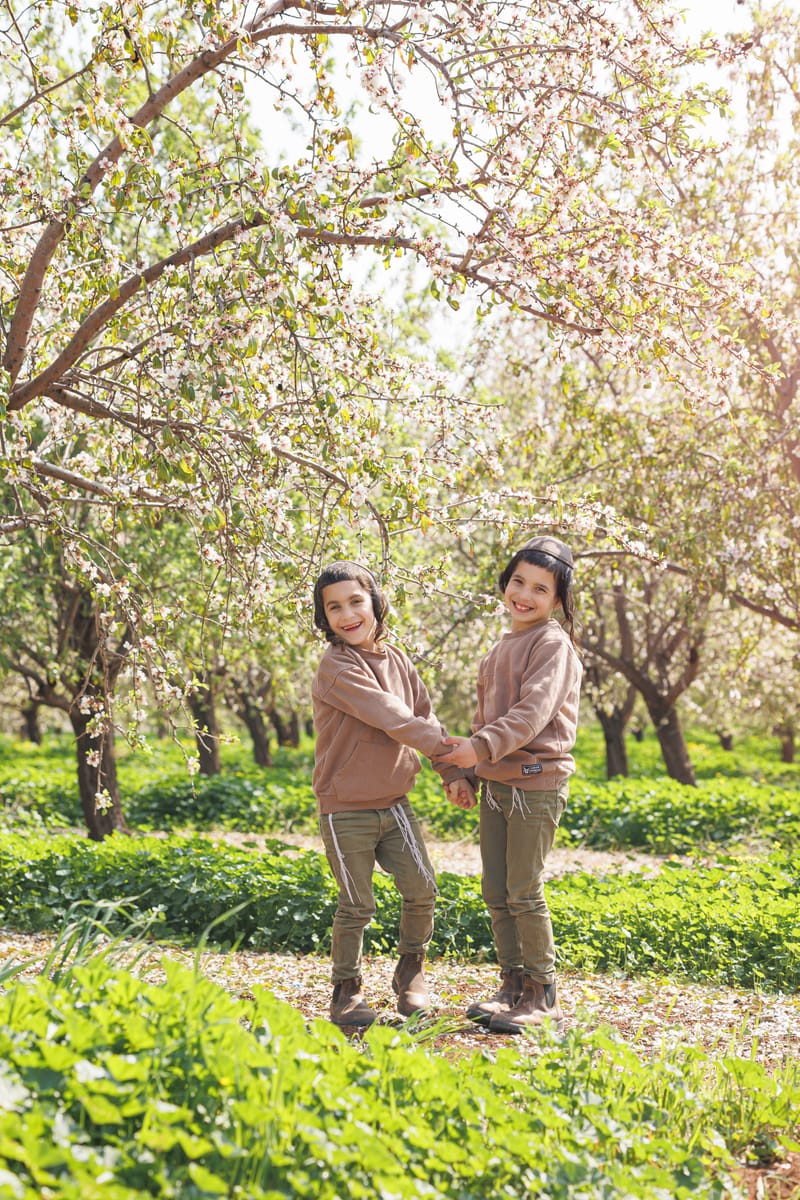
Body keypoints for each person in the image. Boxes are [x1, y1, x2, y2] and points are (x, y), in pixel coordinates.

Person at [311, 559, 475, 1028]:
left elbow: (422, 712)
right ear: (325, 619)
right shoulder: (336, 666)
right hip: (345, 808)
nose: (348, 614)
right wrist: (461, 754)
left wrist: (450, 773)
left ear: (376, 603)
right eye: (334, 607)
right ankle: (346, 991)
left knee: (423, 889)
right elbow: (393, 717)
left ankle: (411, 972)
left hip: (395, 804)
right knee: (357, 904)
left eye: (356, 602)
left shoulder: (398, 659)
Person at [435, 535, 581, 1033]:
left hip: (535, 785)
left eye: (540, 588)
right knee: (496, 890)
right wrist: (470, 771)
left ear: (558, 600)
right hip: (498, 784)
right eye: (518, 581)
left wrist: (480, 748)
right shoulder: (502, 645)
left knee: (523, 889)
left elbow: (532, 714)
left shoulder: (552, 644)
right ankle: (513, 984)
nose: (525, 594)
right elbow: (485, 719)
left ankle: (542, 994)